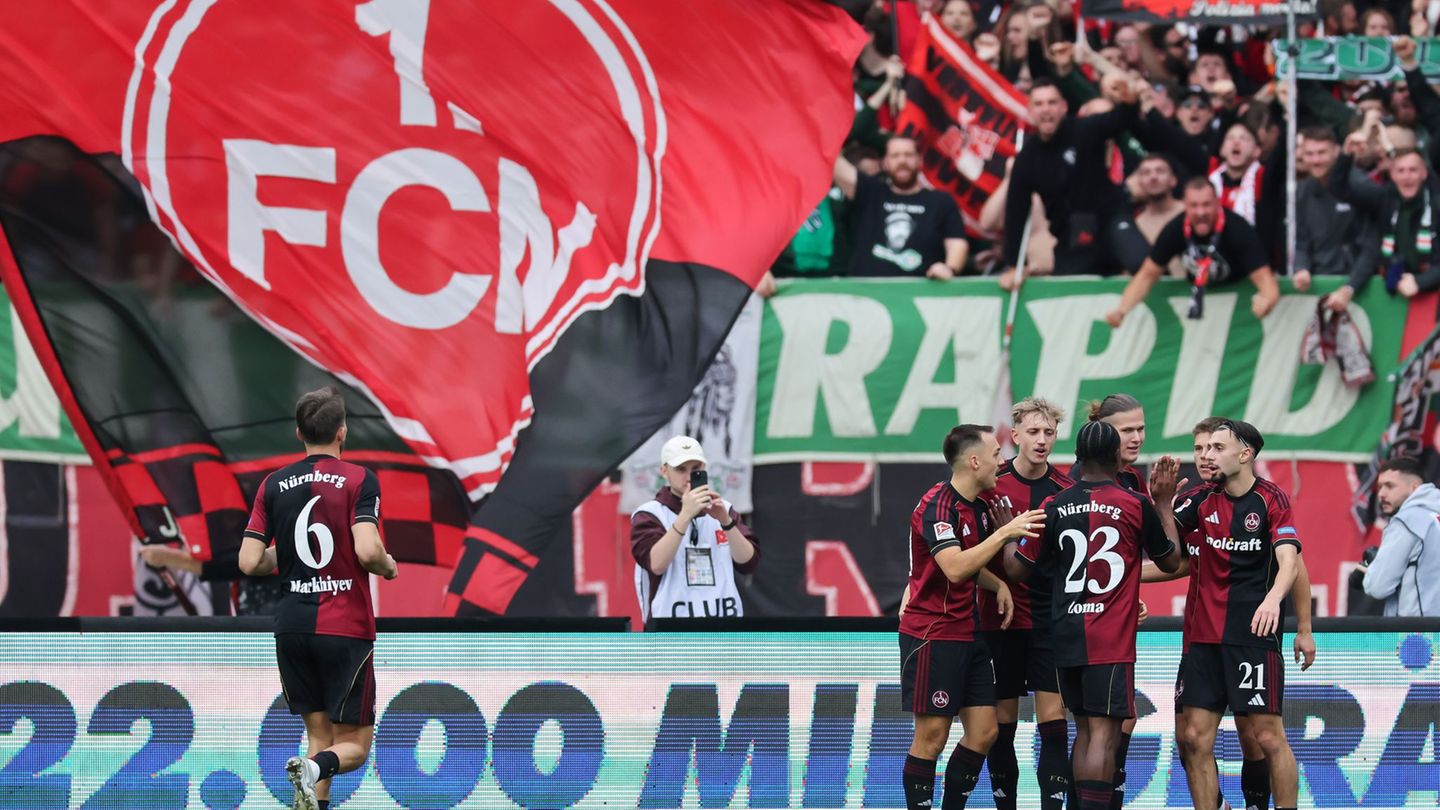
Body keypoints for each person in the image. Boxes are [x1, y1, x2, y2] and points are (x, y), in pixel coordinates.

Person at [1004, 421, 1181, 810]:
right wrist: (1164, 504)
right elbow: (1171, 562)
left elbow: (1017, 570)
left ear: (1078, 459)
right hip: (1110, 639)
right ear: (1118, 457)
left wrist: (1006, 532)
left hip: (1064, 634)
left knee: (1083, 731)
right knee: (1103, 735)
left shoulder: (1054, 505)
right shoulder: (1135, 504)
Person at [237, 387, 398, 810]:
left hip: (291, 627)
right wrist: (387, 565)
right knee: (355, 747)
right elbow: (367, 550)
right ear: (342, 432)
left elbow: (250, 561)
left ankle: (309, 786)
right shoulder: (361, 479)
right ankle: (311, 770)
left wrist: (286, 554)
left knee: (319, 739)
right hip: (344, 627)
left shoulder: (273, 484)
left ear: (298, 433)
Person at [1144, 417, 1317, 810]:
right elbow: (1171, 557)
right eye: (1201, 449)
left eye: (1217, 448)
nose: (1206, 457)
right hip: (1202, 641)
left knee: (1266, 738)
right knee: (1193, 738)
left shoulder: (1272, 499)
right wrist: (1162, 505)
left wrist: (1285, 610)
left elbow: (1292, 563)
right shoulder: (1199, 500)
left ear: (1245, 454)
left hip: (1252, 638)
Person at [899, 424, 1044, 810]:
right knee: (932, 737)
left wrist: (997, 584)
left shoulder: (978, 503)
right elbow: (954, 567)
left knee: (985, 732)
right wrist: (1005, 534)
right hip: (933, 632)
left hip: (969, 631)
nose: (1002, 460)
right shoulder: (938, 506)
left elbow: (969, 561)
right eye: (997, 454)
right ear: (974, 460)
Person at [980, 398, 1075, 810]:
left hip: (1048, 620)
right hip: (998, 620)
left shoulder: (1066, 491)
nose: (1041, 440)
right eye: (1033, 432)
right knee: (1001, 724)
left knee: (1053, 720)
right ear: (1014, 436)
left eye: (1048, 432)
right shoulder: (991, 484)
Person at [999, 76, 1149, 285]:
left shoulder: (1083, 129)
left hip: (1110, 221)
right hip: (1072, 237)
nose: (1046, 109)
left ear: (1063, 107)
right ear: (1030, 111)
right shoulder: (1026, 160)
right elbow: (1016, 212)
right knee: (1065, 291)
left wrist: (1131, 103)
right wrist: (1014, 264)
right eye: (1039, 104)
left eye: (1052, 102)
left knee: (1142, 263)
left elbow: (1120, 120)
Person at [1107, 178, 1280, 327]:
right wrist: (1122, 310)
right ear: (1184, 205)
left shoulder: (1238, 229)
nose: (1200, 212)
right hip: (1200, 305)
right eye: (1194, 205)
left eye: (1206, 205)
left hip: (1239, 302)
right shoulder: (1175, 228)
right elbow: (1147, 275)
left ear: (1217, 203)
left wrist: (1267, 301)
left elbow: (1265, 278)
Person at [630, 435, 759, 623]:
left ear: (704, 468)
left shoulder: (724, 509)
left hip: (724, 629)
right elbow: (656, 565)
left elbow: (749, 563)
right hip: (671, 632)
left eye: (696, 468)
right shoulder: (649, 514)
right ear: (664, 471)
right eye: (681, 469)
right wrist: (685, 516)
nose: (688, 476)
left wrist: (726, 521)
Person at [834, 136, 969, 279]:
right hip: (865, 293)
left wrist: (949, 268)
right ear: (885, 163)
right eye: (895, 156)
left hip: (919, 292)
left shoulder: (941, 201)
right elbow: (833, 162)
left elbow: (957, 243)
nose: (902, 161)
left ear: (920, 160)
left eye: (908, 155)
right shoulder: (870, 192)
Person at [1294, 126, 1381, 309]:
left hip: (1362, 284)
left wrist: (1351, 286)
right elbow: (1300, 240)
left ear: (1336, 151)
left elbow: (1371, 242)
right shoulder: (1300, 192)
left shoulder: (1359, 184)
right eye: (1309, 154)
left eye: (1321, 153)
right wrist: (1301, 268)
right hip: (1319, 282)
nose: (1316, 160)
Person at [1363, 456, 1440, 616]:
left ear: (1414, 487)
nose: (1382, 494)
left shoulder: (1407, 521)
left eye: (1389, 486)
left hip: (1421, 636)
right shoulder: (1433, 517)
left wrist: (1368, 570)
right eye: (1380, 487)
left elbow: (1378, 586)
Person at [1130, 154, 1186, 277]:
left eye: (1160, 171)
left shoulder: (1192, 212)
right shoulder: (1135, 224)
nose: (1153, 177)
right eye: (1146, 173)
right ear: (1139, 182)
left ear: (1173, 180)